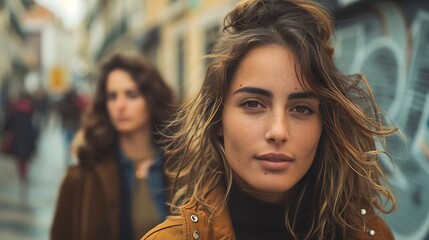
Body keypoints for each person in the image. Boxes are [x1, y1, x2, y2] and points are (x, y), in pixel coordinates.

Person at [142, 0, 399, 239]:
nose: (278, 131)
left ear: (325, 123)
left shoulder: (370, 233)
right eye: (253, 104)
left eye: (301, 109)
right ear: (218, 119)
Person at [51, 53, 175, 240]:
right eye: (112, 96)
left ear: (152, 99)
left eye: (131, 95)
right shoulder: (81, 175)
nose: (120, 105)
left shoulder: (184, 168)